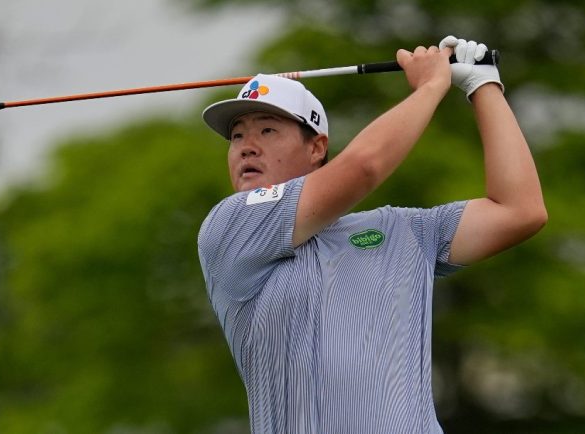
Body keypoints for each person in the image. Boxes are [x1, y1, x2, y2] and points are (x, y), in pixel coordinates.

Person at [197, 36, 547, 434]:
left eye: (268, 130)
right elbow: (364, 166)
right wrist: (432, 87)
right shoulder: (231, 227)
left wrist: (484, 86)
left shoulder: (402, 230)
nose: (247, 147)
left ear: (317, 149)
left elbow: (520, 211)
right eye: (237, 136)